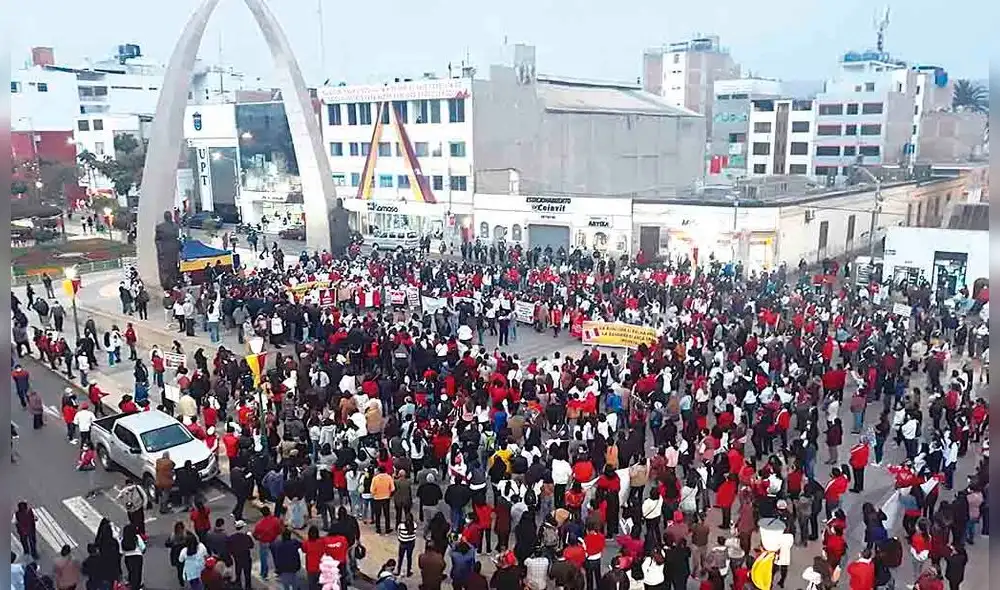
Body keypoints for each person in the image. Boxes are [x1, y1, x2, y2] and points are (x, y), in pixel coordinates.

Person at [120, 523, 147, 590]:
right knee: (138, 573)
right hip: (137, 556)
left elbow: (121, 551)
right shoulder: (137, 537)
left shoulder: (123, 539)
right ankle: (138, 586)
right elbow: (143, 547)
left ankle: (131, 584)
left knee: (131, 572)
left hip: (128, 557)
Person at [395, 511, 416, 577]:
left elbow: (398, 533)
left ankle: (398, 571)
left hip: (403, 543)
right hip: (411, 543)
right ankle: (408, 572)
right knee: (409, 557)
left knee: (400, 557)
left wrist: (400, 538)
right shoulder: (414, 525)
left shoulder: (401, 525)